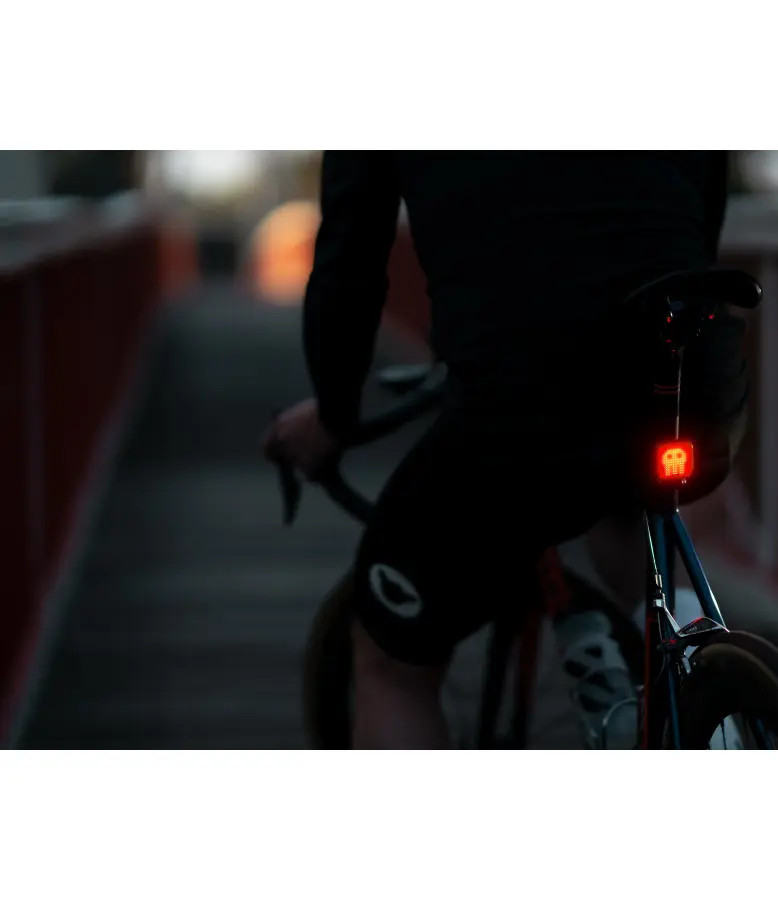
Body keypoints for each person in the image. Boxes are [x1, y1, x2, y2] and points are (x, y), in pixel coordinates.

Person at [262, 152, 748, 749]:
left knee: (389, 658)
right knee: (625, 482)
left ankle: (685, 705)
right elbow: (705, 184)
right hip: (690, 358)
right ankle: (710, 704)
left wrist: (334, 415)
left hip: (525, 393)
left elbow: (351, 260)